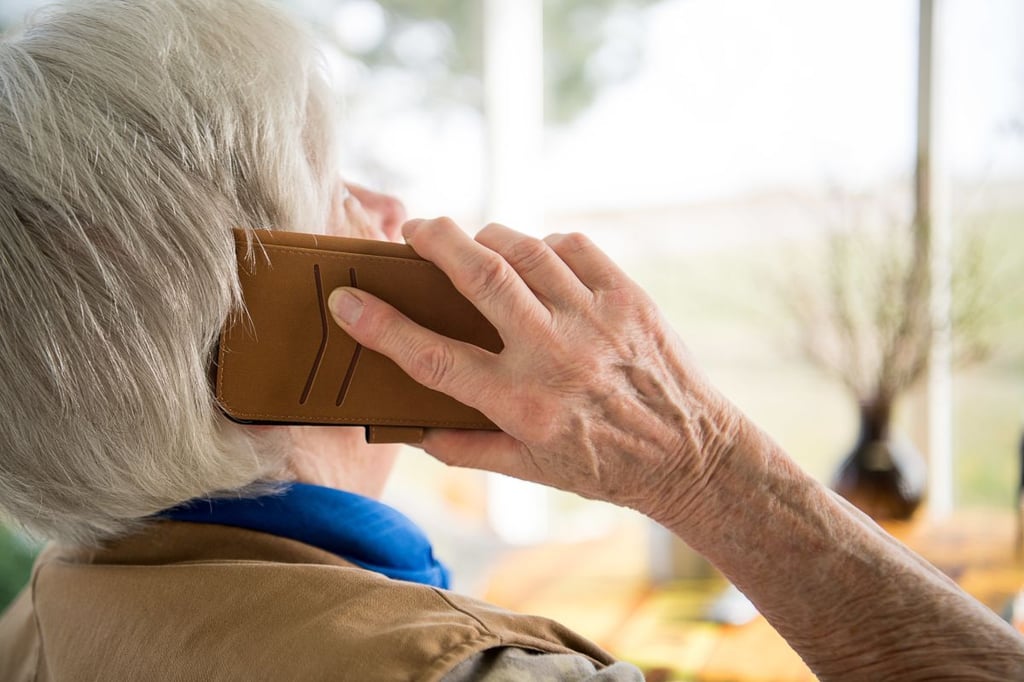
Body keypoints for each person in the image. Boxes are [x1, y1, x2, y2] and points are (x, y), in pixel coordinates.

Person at [0, 1, 1020, 681]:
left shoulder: (43, 620)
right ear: (269, 328)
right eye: (338, 189)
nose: (390, 205)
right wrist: (704, 467)